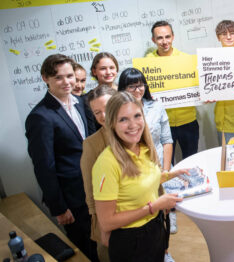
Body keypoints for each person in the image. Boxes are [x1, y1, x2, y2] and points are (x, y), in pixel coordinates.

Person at [92, 91, 188, 261]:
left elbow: (139, 183)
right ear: (112, 124)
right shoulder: (107, 163)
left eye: (137, 116)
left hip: (155, 229)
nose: (133, 125)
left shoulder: (144, 148)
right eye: (123, 119)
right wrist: (154, 206)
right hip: (131, 241)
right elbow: (106, 222)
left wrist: (171, 175)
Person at [25, 54, 98, 261]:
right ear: (45, 78)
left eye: (70, 76)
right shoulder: (40, 117)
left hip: (95, 188)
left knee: (100, 242)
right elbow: (44, 166)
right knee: (85, 247)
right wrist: (59, 207)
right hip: (72, 198)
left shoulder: (80, 103)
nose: (67, 82)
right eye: (58, 77)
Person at [146, 20, 199, 164]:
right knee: (165, 164)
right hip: (161, 122)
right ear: (153, 40)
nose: (164, 41)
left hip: (188, 120)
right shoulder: (147, 62)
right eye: (160, 38)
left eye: (167, 37)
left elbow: (196, 86)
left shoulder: (186, 59)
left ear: (173, 37)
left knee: (191, 160)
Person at [80, 85, 117, 260]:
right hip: (112, 220)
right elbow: (90, 190)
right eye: (97, 112)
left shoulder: (137, 132)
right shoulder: (91, 144)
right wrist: (102, 227)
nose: (103, 115)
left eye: (107, 107)